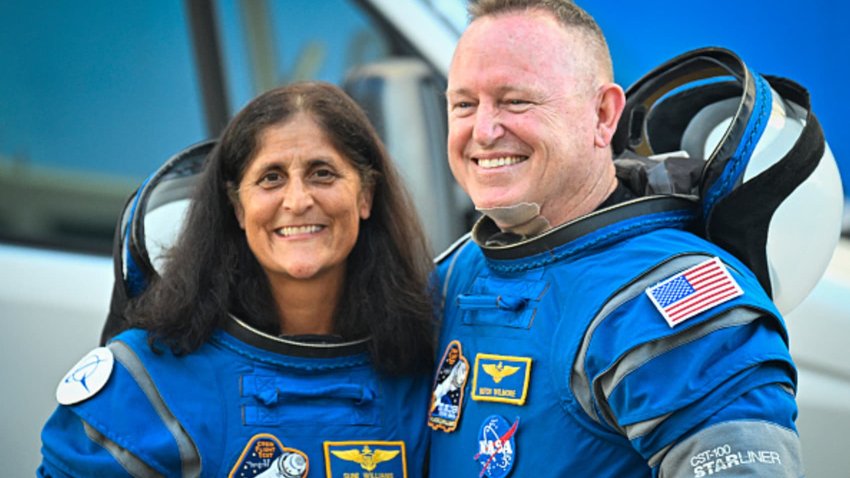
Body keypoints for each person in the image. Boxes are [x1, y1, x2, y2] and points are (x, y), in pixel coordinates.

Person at [427, 1, 804, 477]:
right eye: (464, 104)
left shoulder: (676, 305)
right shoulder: (462, 268)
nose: (483, 130)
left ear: (604, 114)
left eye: (515, 101)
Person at [39, 82, 435, 477]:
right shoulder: (148, 382)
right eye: (271, 178)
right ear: (238, 207)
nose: (297, 201)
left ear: (365, 195)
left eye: (322, 173)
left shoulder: (423, 367)